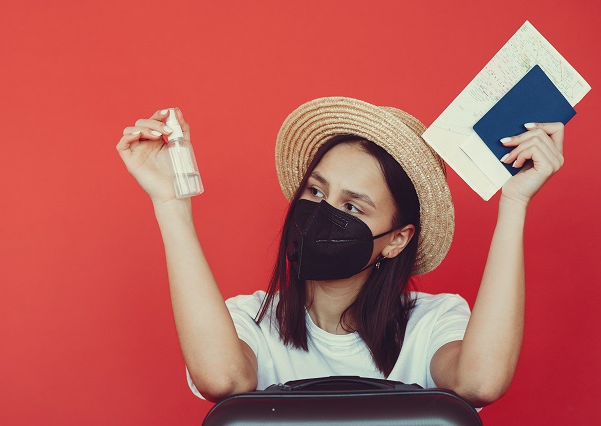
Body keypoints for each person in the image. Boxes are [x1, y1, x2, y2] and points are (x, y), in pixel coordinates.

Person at [116, 97, 564, 407]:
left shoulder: (433, 322)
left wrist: (515, 202)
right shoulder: (248, 321)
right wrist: (171, 204)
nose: (324, 212)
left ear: (397, 239)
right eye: (315, 190)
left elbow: (480, 383)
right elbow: (223, 378)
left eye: (352, 206)